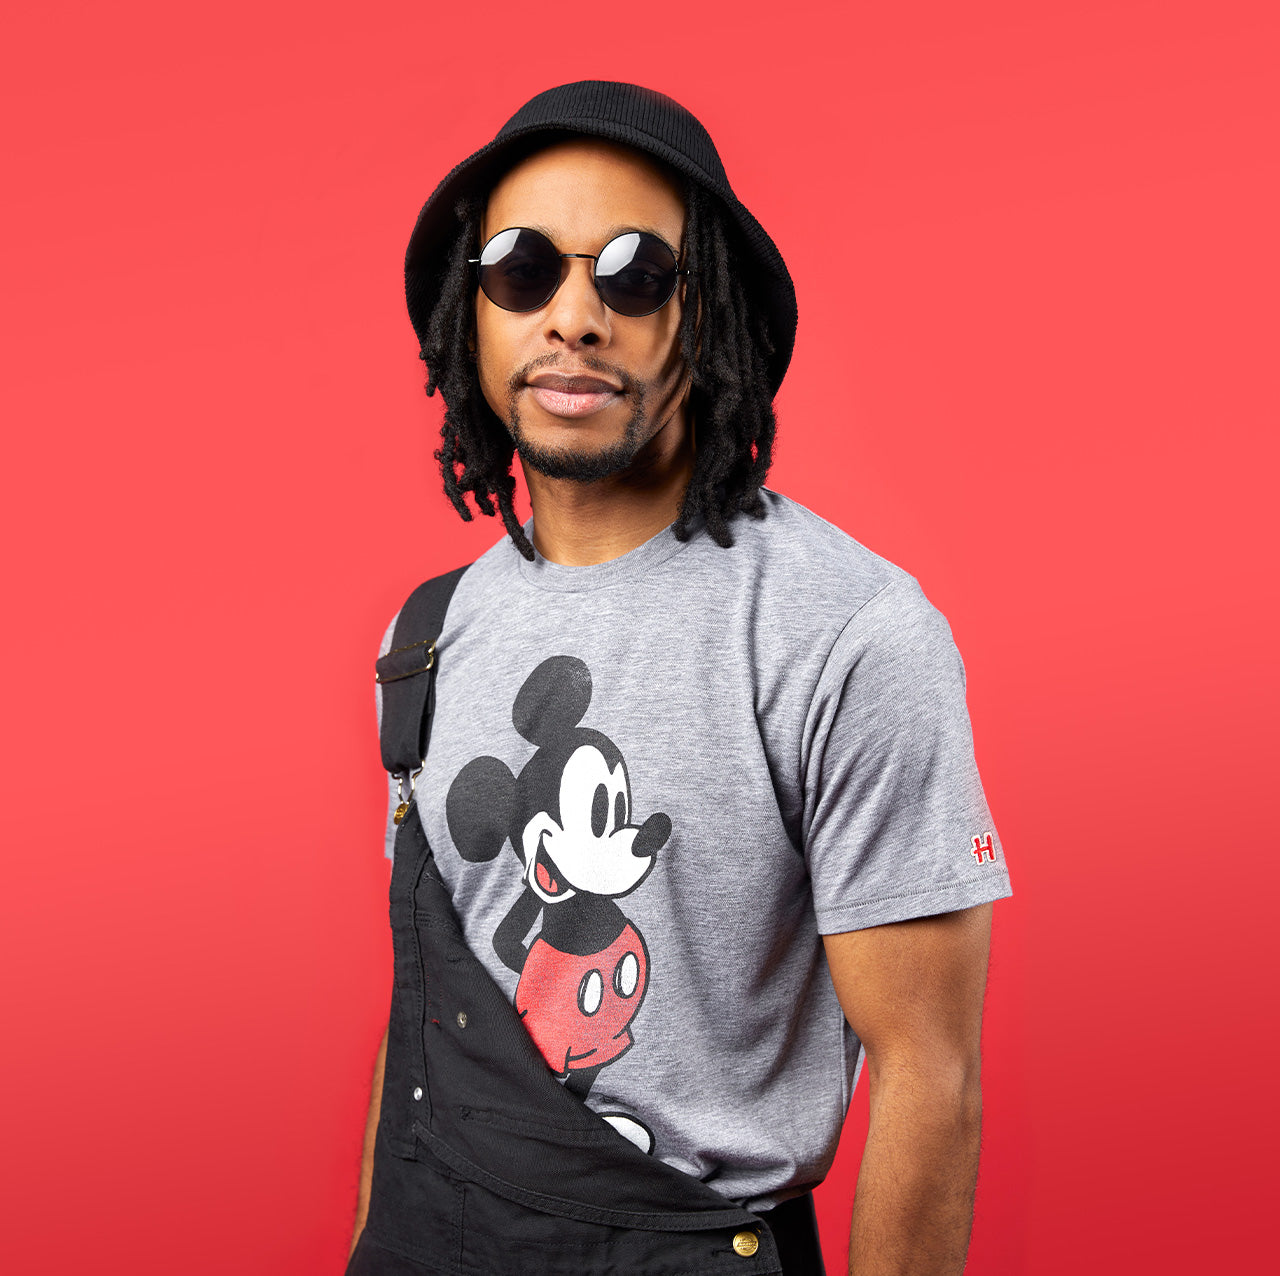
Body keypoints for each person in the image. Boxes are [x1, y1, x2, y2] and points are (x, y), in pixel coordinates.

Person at [346, 80, 1012, 1276]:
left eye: (636, 274)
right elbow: (424, 1031)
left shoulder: (846, 632)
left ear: (709, 318)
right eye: (521, 269)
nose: (573, 317)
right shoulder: (425, 636)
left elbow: (930, 1071)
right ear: (470, 313)